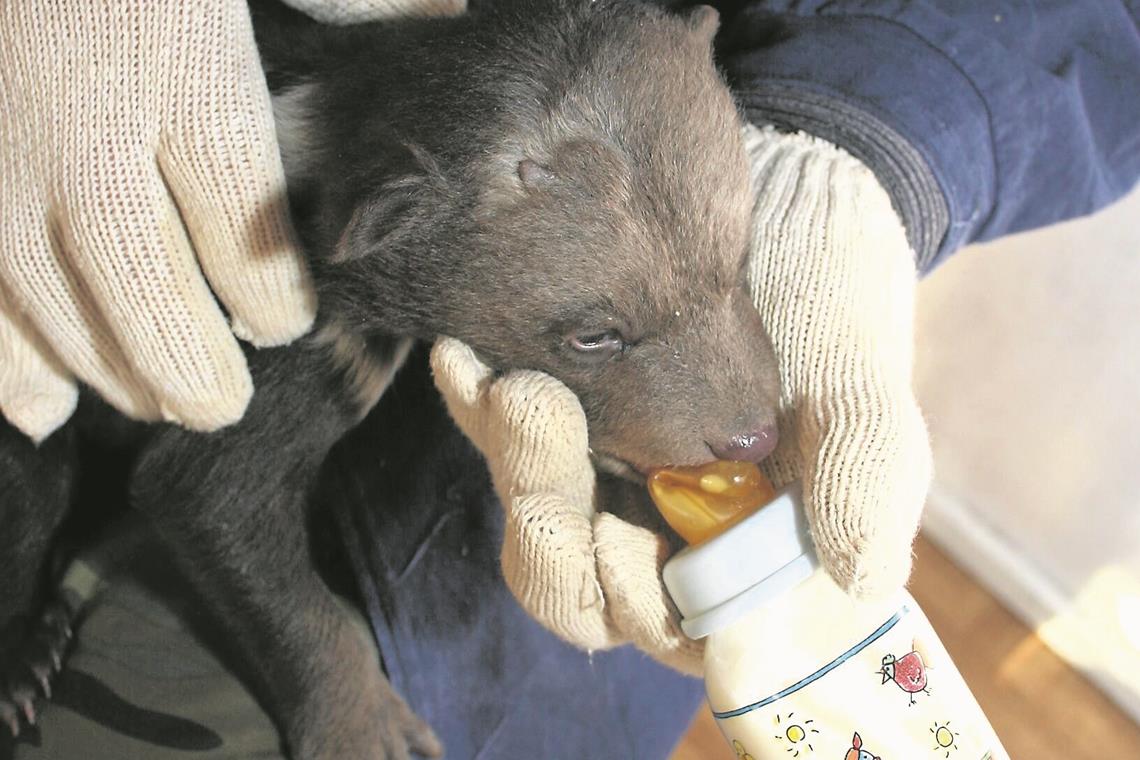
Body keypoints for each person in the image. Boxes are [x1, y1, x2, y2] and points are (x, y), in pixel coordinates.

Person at [2, 0, 1138, 757]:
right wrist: (332, 688)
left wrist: (857, 137)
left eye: (729, 262)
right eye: (598, 338)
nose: (750, 416)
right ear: (384, 237)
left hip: (451, 582)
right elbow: (205, 486)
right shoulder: (323, 278)